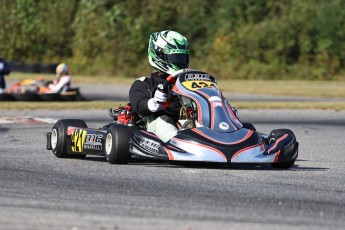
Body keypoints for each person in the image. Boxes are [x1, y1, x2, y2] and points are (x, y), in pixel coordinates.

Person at [129, 30, 189, 142]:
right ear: (159, 56)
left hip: (186, 125)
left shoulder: (188, 82)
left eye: (182, 58)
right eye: (176, 58)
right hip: (156, 125)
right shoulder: (144, 84)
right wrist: (154, 103)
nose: (180, 63)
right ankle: (178, 143)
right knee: (163, 120)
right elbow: (139, 104)